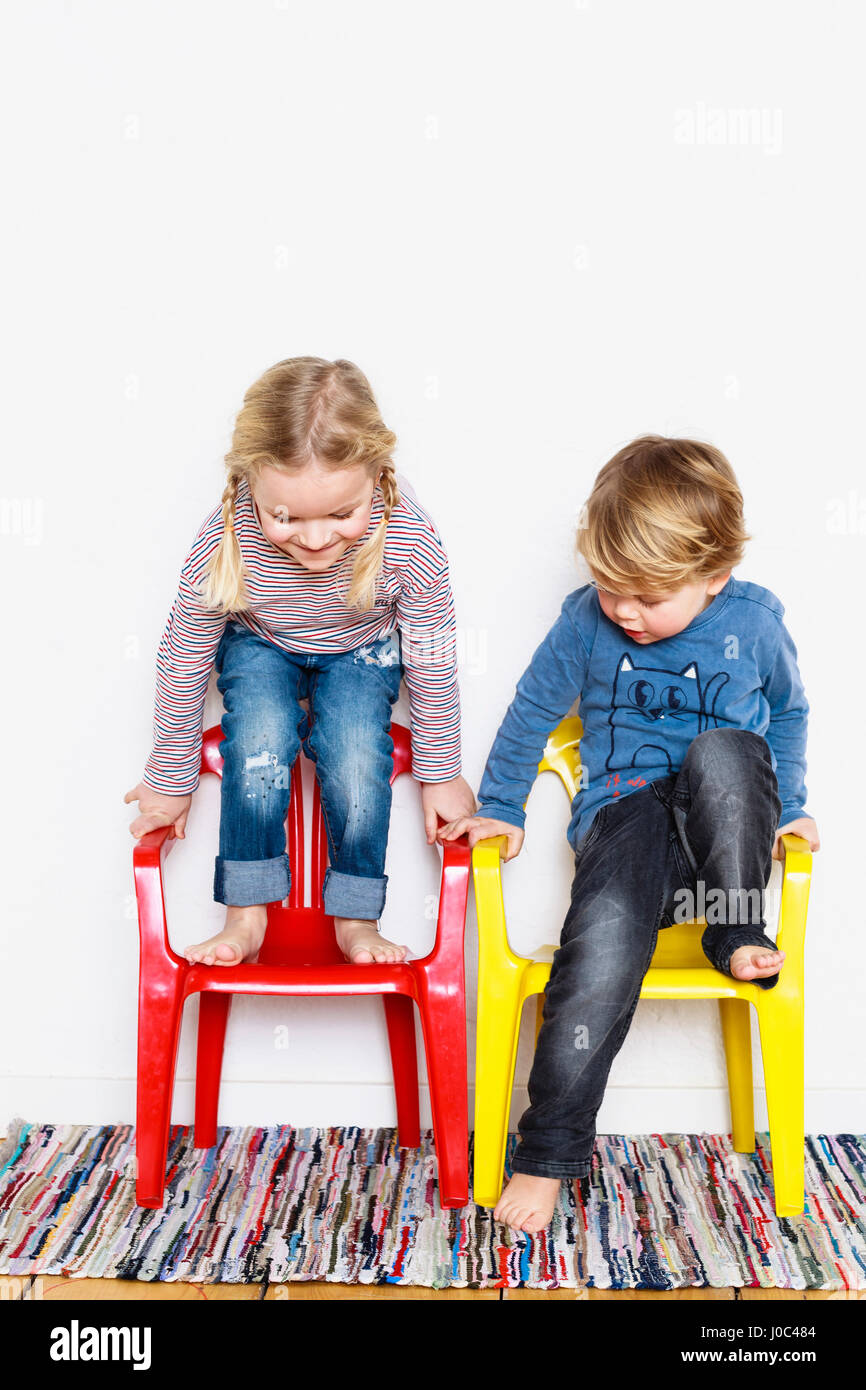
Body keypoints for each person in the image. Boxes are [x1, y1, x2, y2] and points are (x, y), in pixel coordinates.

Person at [437, 435, 820, 1234]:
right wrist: (504, 805)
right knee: (598, 959)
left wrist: (790, 806)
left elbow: (785, 713)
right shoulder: (585, 624)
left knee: (726, 752)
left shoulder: (753, 624)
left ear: (713, 576)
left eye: (648, 596)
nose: (625, 612)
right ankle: (547, 1154)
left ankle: (735, 928)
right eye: (612, 589)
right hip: (624, 825)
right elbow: (533, 711)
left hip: (724, 851)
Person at [125, 356, 475, 967]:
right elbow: (184, 652)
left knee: (354, 746)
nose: (315, 540)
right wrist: (170, 778)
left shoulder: (408, 538)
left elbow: (431, 652)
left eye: (342, 515)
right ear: (247, 486)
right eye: (285, 517)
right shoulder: (226, 537)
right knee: (258, 733)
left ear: (379, 479)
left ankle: (357, 919)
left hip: (363, 648)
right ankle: (246, 913)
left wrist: (441, 770)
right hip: (263, 641)